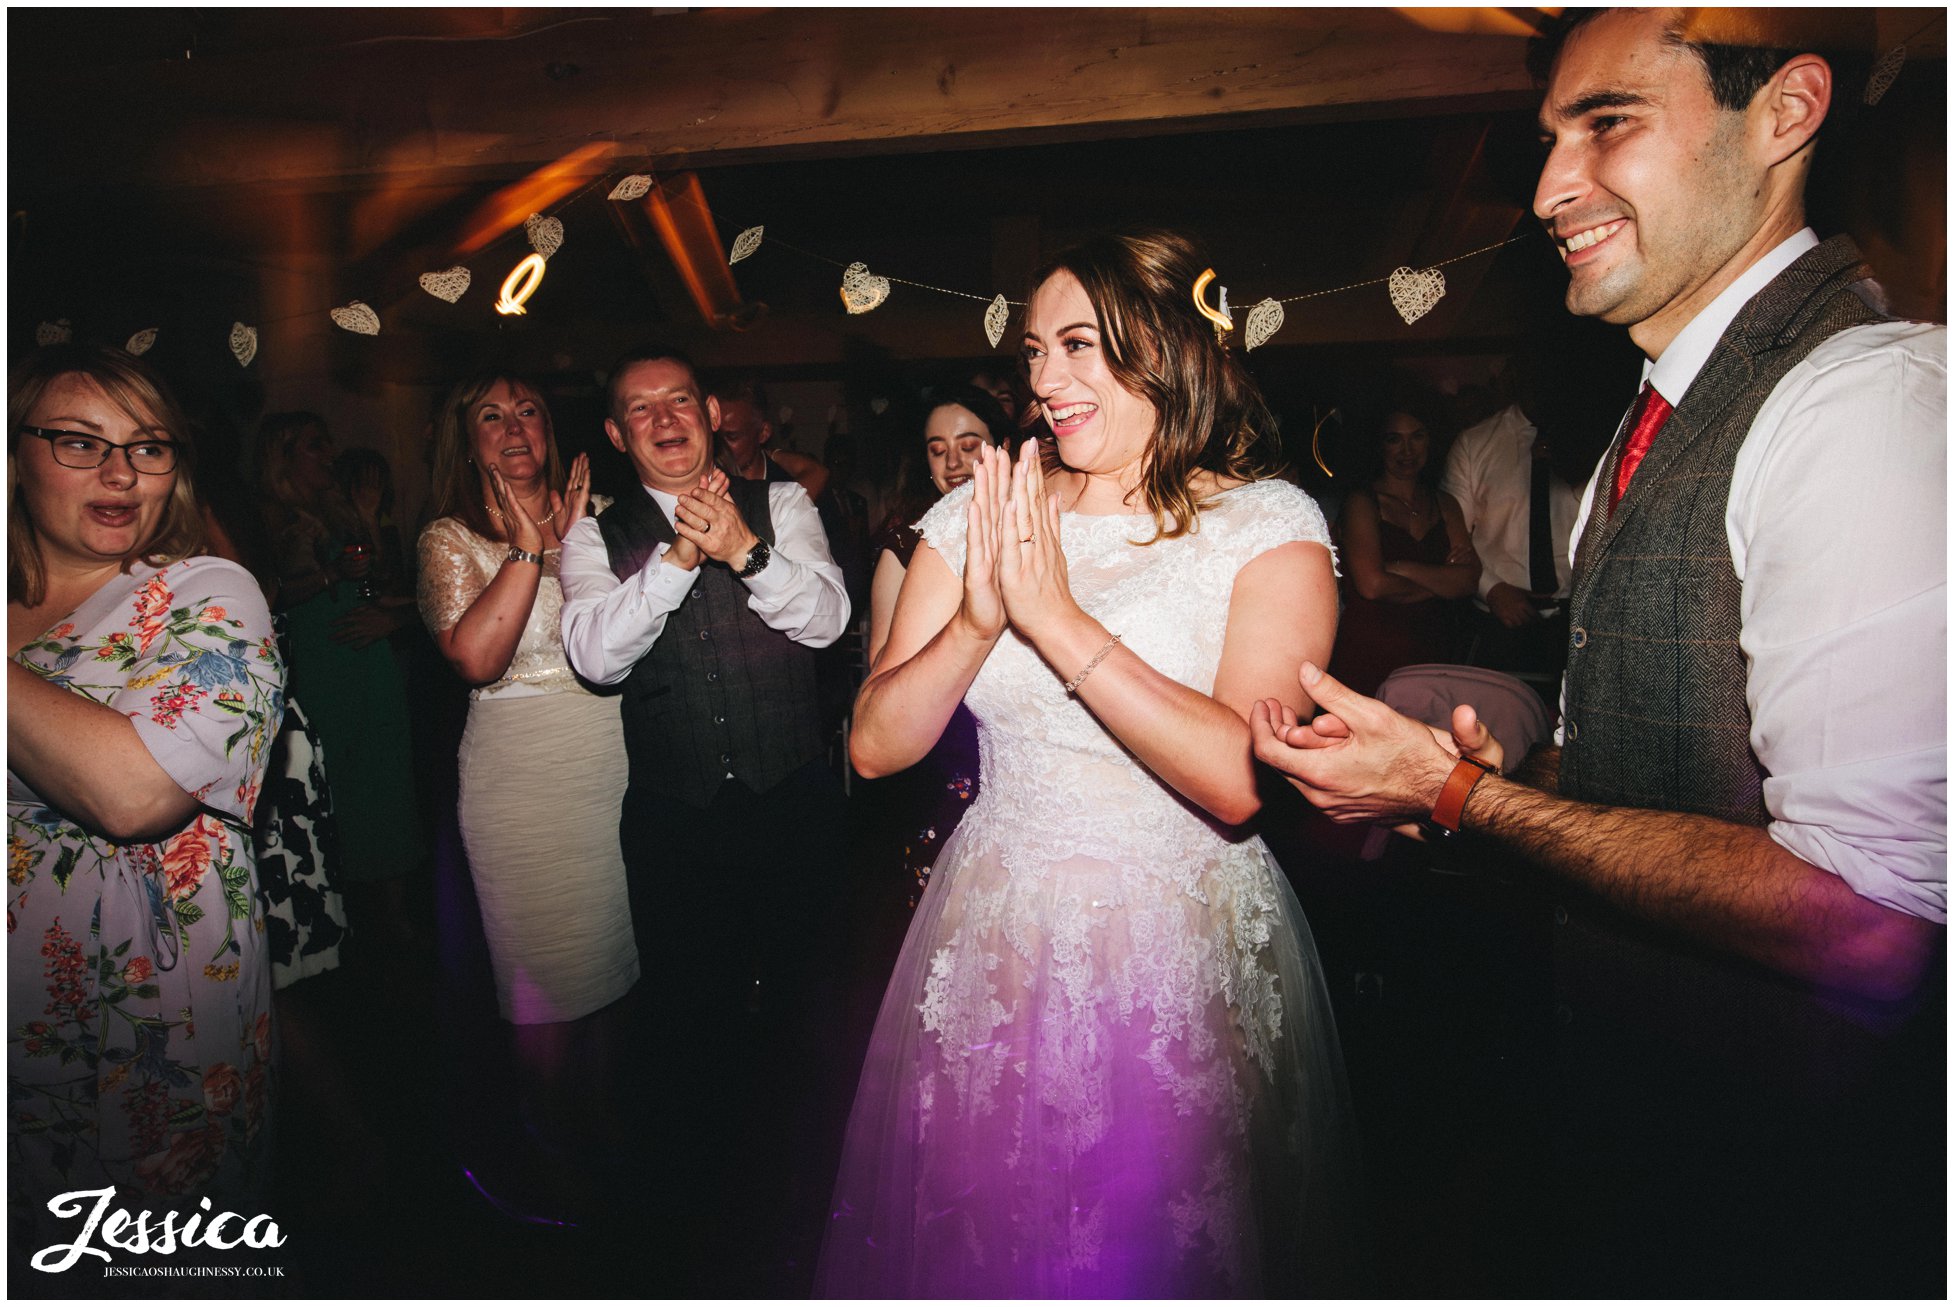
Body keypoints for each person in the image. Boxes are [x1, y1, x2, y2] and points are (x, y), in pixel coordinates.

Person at [1252, 9, 1944, 1296]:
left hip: (1792, 1185)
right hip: (1649, 1126)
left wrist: (1465, 797)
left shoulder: (1861, 400)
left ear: (1786, 112)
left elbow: (1872, 921)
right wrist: (1520, 771)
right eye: (1548, 137)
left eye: (1607, 123)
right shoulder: (1657, 403)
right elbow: (1679, 751)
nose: (1548, 187)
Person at [819, 232, 1355, 1297]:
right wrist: (978, 616)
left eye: (1077, 346)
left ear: (1165, 347)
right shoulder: (980, 513)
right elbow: (876, 746)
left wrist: (1055, 619)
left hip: (1173, 935)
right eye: (1033, 352)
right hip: (997, 920)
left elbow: (1239, 777)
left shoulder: (1265, 526)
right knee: (990, 1226)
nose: (1045, 381)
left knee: (1158, 1231)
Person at [558, 348, 850, 1274]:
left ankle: (819, 1193)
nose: (664, 417)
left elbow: (829, 621)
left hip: (792, 800)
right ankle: (717, 1232)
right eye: (639, 408)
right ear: (616, 434)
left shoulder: (786, 506)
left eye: (679, 399)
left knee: (809, 1003)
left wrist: (743, 553)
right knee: (691, 1027)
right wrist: (684, 557)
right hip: (678, 821)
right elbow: (596, 657)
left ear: (712, 409)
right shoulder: (591, 537)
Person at [8, 344, 284, 1255]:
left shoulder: (201, 593)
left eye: (149, 446)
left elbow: (136, 793)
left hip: (142, 1008)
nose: (122, 471)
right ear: (14, 455)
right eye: (80, 443)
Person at [416, 372, 635, 1186]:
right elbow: (476, 656)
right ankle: (541, 1148)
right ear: (464, 438)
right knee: (544, 982)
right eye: (491, 416)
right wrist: (533, 548)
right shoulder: (450, 537)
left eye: (530, 411)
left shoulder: (602, 521)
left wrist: (580, 538)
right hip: (520, 779)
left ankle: (606, 1126)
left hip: (610, 764)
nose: (514, 429)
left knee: (615, 967)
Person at [254, 414, 422, 932]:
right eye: (314, 446)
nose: (329, 454)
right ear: (284, 454)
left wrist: (369, 523)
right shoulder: (268, 514)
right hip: (320, 662)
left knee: (386, 776)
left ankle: (395, 916)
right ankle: (346, 920)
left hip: (368, 655)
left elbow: (381, 579)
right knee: (336, 783)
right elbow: (269, 595)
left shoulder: (339, 509)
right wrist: (330, 573)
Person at [865, 385, 1012, 910]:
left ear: (1003, 447)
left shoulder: (1035, 531)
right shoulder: (906, 547)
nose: (953, 462)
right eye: (937, 448)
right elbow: (881, 682)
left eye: (970, 444)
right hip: (946, 754)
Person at [1440, 357, 1581, 684]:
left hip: (1575, 619)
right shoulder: (1476, 443)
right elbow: (1452, 534)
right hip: (1498, 622)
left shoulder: (1592, 439)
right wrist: (1491, 589)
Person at [1325, 398, 1477, 696]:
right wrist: (1442, 581)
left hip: (1434, 652)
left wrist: (1401, 568)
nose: (1407, 451)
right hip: (1371, 656)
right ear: (1378, 445)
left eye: (1417, 436)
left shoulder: (1445, 504)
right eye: (1395, 439)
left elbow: (1469, 580)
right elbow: (1372, 585)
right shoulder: (1362, 502)